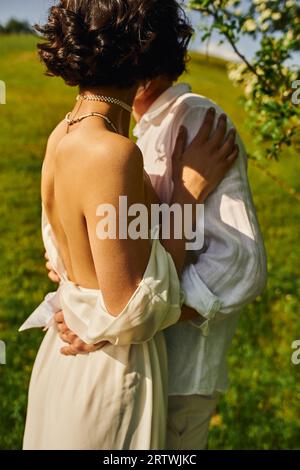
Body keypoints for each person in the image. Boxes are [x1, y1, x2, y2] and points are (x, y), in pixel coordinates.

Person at [20, 0, 238, 450]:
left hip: (72, 366)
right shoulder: (112, 153)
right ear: (150, 51)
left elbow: (72, 258)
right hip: (111, 376)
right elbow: (134, 309)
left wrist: (78, 307)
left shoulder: (65, 132)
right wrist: (188, 193)